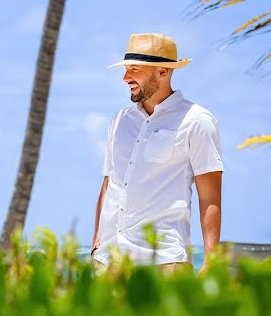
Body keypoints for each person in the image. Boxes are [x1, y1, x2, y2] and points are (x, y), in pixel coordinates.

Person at [91, 33, 223, 274]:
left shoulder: (197, 121)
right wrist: (96, 244)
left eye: (135, 70)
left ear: (163, 71)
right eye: (126, 69)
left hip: (164, 263)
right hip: (108, 262)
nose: (125, 78)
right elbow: (109, 183)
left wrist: (211, 261)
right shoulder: (120, 121)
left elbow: (210, 197)